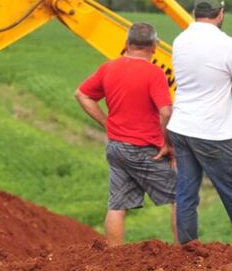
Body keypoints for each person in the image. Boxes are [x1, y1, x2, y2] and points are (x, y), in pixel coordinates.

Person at [167, 0, 232, 246]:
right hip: (211, 131)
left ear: (194, 13)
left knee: (186, 192)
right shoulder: (226, 44)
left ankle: (188, 247)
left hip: (181, 127)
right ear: (220, 13)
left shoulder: (180, 40)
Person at [75, 22, 176, 246]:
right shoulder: (154, 73)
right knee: (181, 195)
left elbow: (81, 94)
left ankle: (115, 257)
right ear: (155, 46)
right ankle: (185, 255)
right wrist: (168, 144)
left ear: (127, 43)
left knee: (117, 205)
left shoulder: (108, 68)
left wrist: (106, 123)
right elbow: (166, 111)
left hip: (116, 148)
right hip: (145, 148)